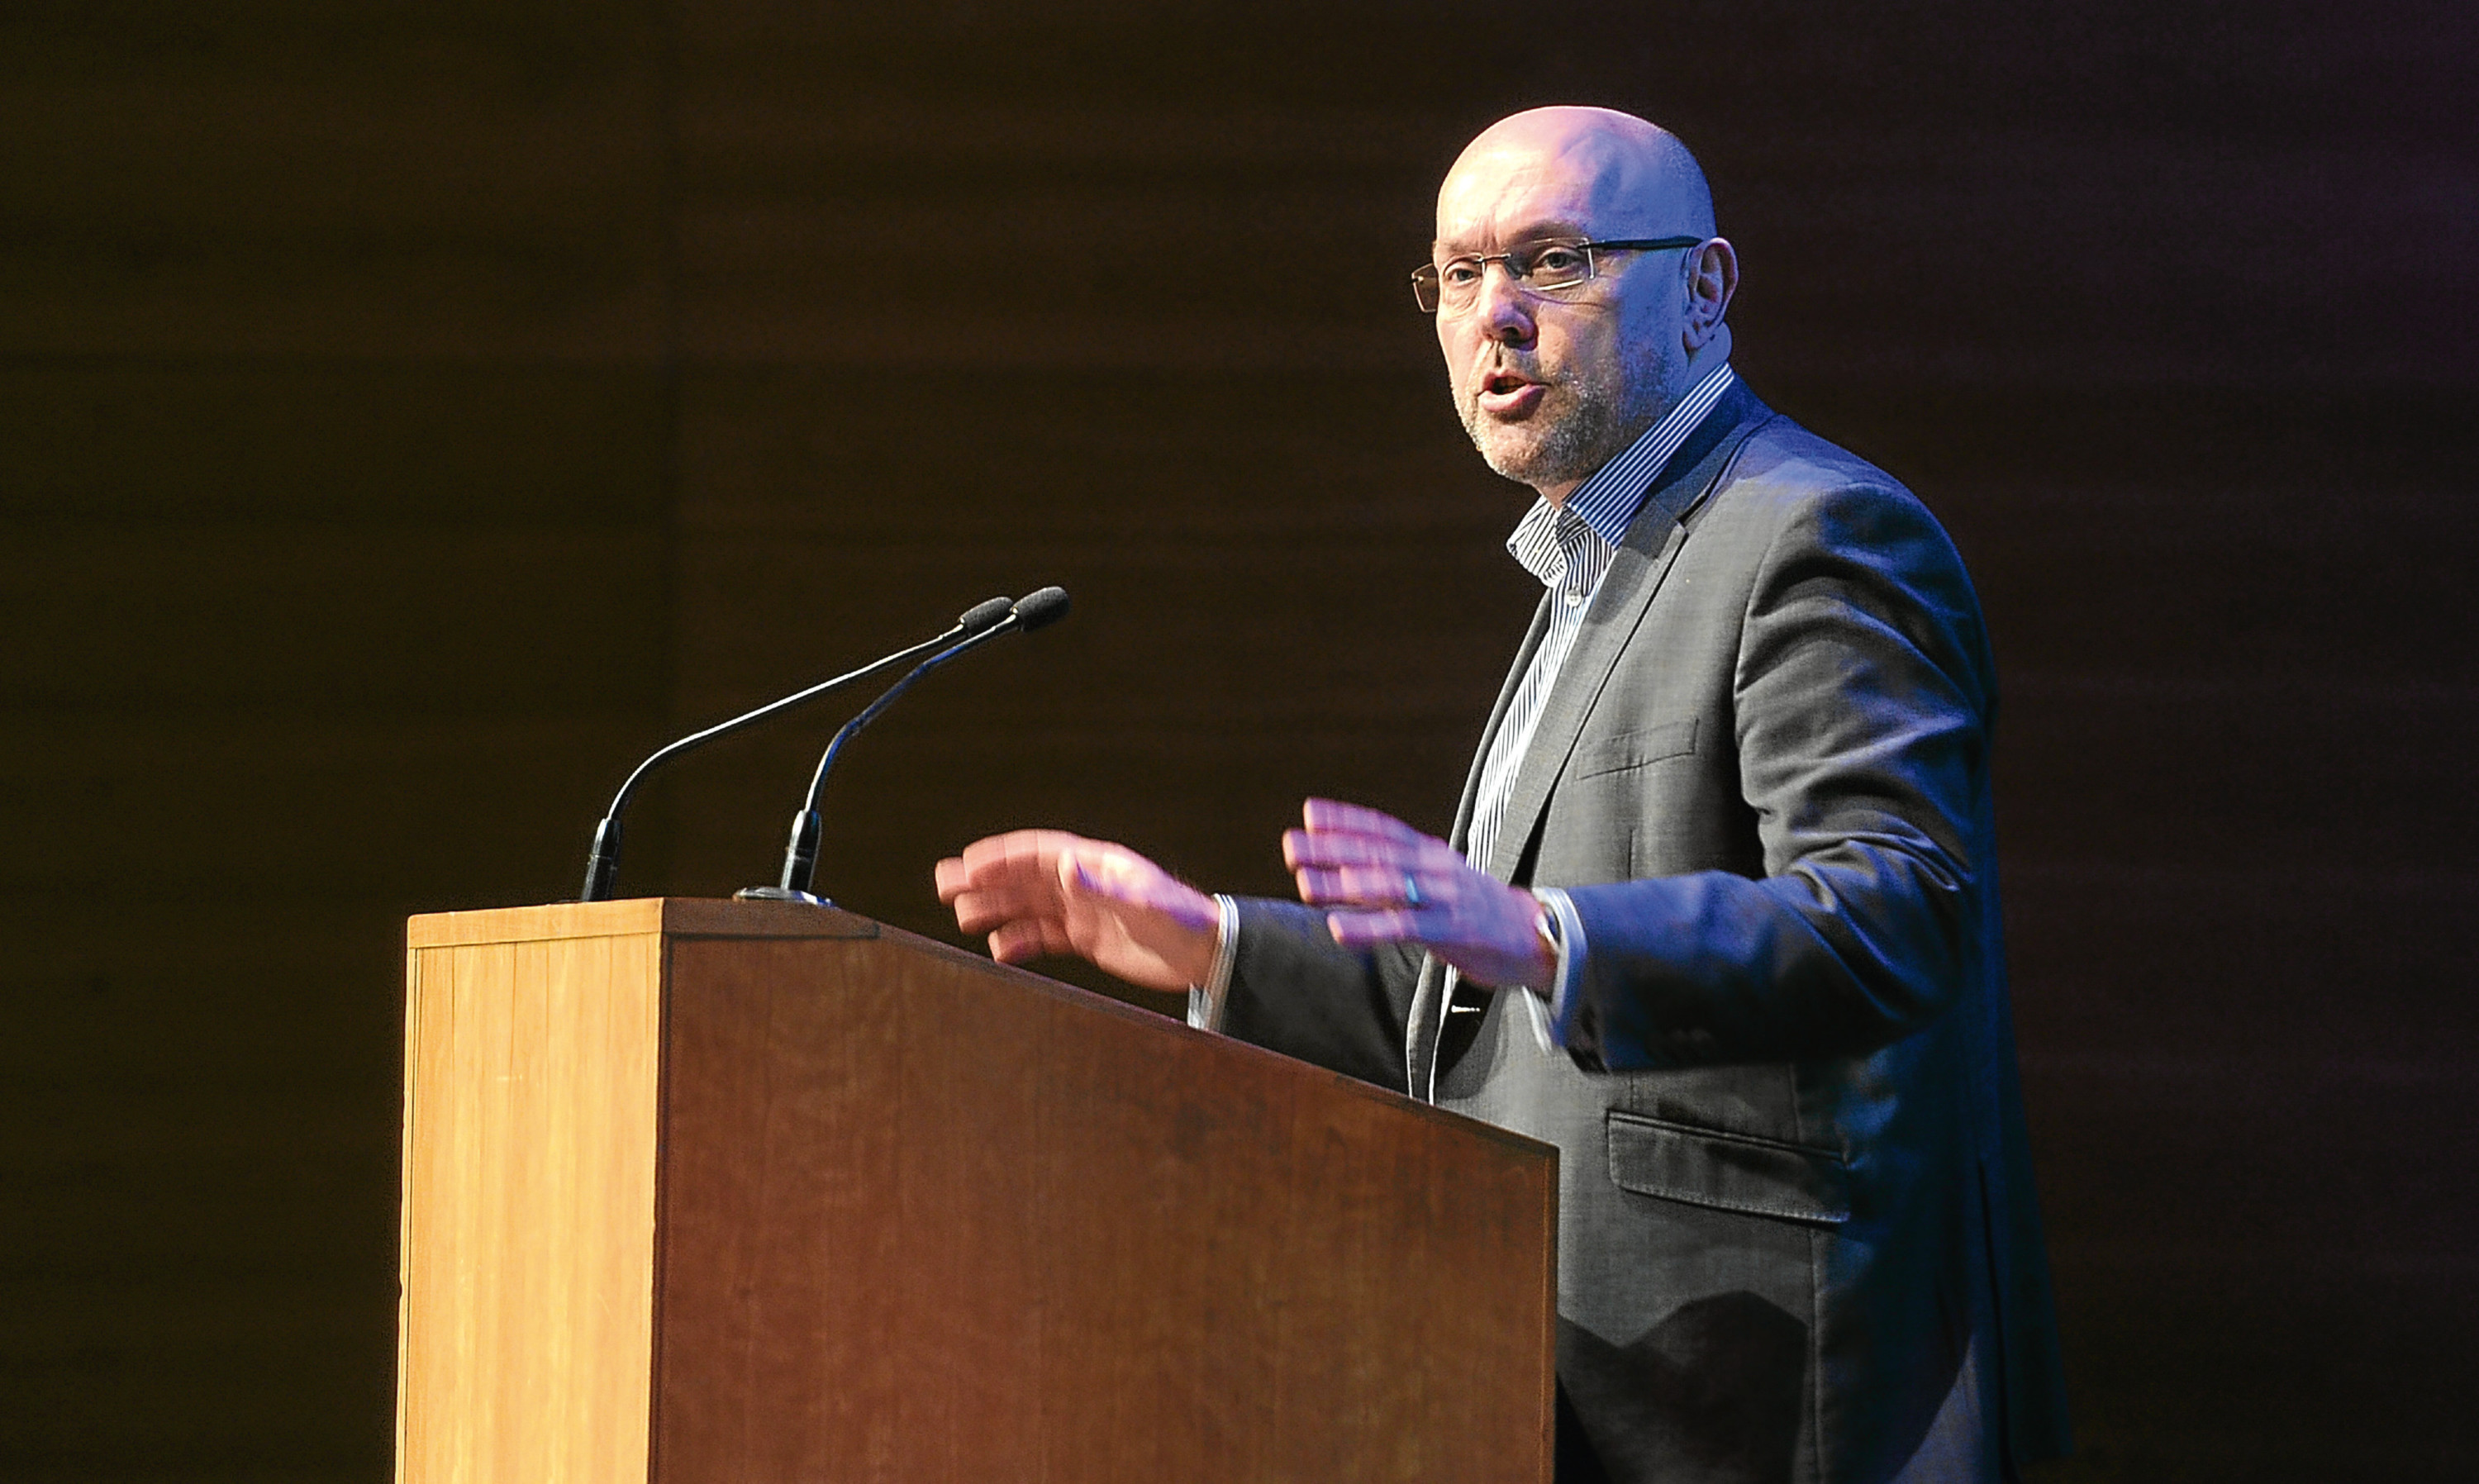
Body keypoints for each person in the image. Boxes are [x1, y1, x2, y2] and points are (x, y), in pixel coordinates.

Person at [936, 106, 2070, 1483]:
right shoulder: (1601, 563)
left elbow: (1893, 916)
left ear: (1705, 289)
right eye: (1460, 274)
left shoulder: (1813, 535)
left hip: (1777, 1405)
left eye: (1554, 261)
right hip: (1571, 1379)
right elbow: (1491, 1009)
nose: (1498, 317)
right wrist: (1209, 943)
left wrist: (1548, 935)